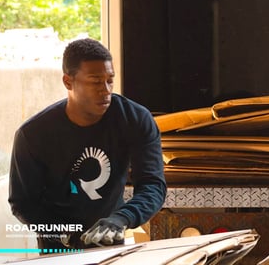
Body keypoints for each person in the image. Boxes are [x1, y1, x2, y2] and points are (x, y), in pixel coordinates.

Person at [9, 38, 166, 250]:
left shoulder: (135, 119)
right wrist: (60, 232)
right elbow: (23, 203)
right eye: (95, 81)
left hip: (110, 239)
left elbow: (152, 185)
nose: (106, 90)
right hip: (57, 248)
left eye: (110, 80)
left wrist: (122, 219)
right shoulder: (33, 135)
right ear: (68, 82)